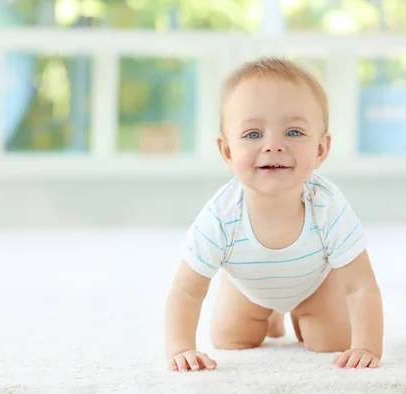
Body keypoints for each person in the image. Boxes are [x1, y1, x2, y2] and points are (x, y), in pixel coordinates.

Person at [164, 57, 383, 372]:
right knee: (231, 339)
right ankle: (270, 315)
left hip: (315, 285)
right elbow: (186, 290)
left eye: (293, 132)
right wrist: (180, 348)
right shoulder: (221, 215)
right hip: (248, 286)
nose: (273, 145)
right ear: (227, 152)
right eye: (253, 134)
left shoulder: (328, 205)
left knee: (333, 342)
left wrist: (367, 347)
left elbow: (360, 286)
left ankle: (298, 312)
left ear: (321, 149)